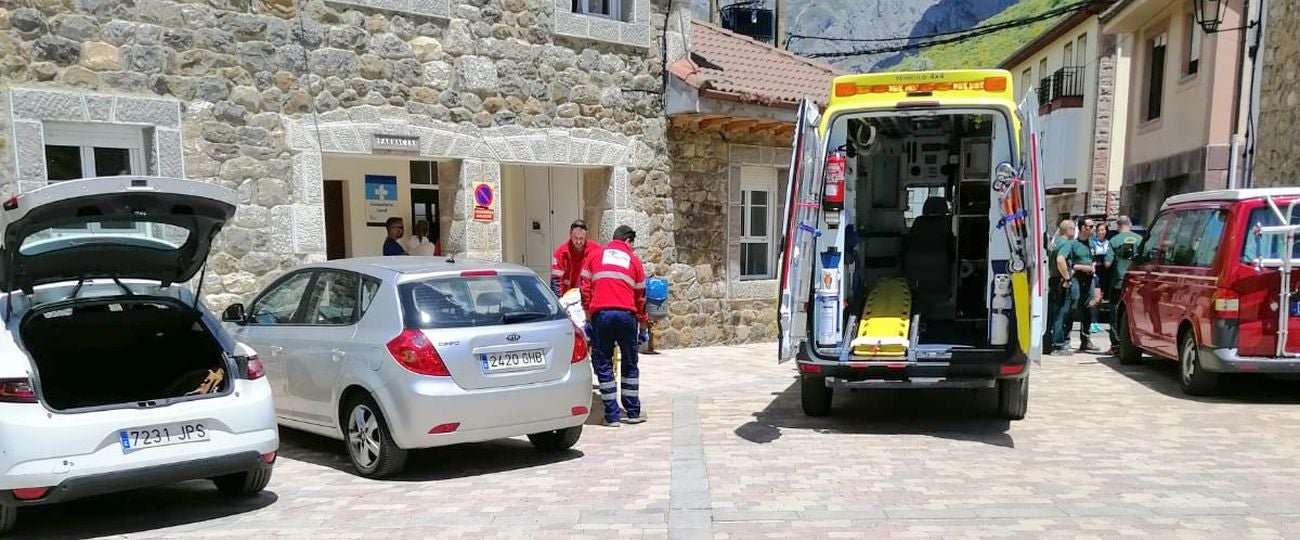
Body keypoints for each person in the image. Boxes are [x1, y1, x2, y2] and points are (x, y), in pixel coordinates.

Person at [580, 225, 647, 427]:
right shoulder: (634, 261)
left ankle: (612, 415)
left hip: (602, 315)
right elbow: (641, 297)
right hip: (627, 315)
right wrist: (643, 326)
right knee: (629, 362)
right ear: (628, 241)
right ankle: (633, 412)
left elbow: (585, 288)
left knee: (603, 362)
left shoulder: (594, 256)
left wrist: (588, 316)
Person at [1104, 216, 1143, 354]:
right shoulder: (1140, 240)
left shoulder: (1114, 241)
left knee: (1115, 313)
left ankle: (1116, 345)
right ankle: (1133, 343)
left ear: (1118, 226)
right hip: (1136, 283)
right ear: (1130, 225)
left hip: (1118, 283)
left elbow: (1107, 264)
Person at [551, 220, 601, 297]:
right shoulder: (561, 252)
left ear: (586, 235)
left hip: (589, 296)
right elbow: (556, 281)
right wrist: (558, 302)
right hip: (567, 297)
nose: (578, 242)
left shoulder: (596, 250)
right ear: (570, 235)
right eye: (575, 238)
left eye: (581, 238)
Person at [1074, 218, 1102, 353]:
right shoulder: (1074, 244)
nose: (1093, 229)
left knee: (1088, 309)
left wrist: (1093, 266)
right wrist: (1083, 267)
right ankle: (1065, 339)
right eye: (1090, 226)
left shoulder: (1092, 243)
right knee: (1072, 309)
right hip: (1076, 279)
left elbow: (1094, 260)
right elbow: (1069, 264)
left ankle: (1086, 340)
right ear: (1082, 228)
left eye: (1093, 226)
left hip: (1090, 280)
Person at [1088, 221, 1111, 335]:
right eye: (1100, 230)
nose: (1102, 232)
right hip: (1095, 273)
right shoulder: (1093, 243)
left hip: (1105, 274)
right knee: (1095, 299)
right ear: (1096, 232)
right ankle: (1092, 322)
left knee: (1100, 299)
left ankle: (1095, 321)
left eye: (1103, 230)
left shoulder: (1108, 243)